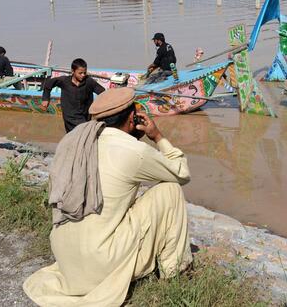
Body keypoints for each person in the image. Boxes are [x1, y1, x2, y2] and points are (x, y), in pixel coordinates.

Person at [23, 88, 191, 306]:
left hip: (65, 259)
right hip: (101, 264)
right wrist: (157, 136)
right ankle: (174, 272)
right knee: (170, 189)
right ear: (133, 118)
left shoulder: (73, 141)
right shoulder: (134, 150)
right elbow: (182, 173)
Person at [42, 58, 105, 132]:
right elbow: (48, 84)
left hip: (84, 116)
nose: (83, 75)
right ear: (73, 71)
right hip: (69, 117)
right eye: (80, 73)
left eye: (84, 73)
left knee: (81, 136)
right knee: (77, 135)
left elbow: (103, 93)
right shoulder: (64, 81)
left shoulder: (89, 82)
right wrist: (46, 98)